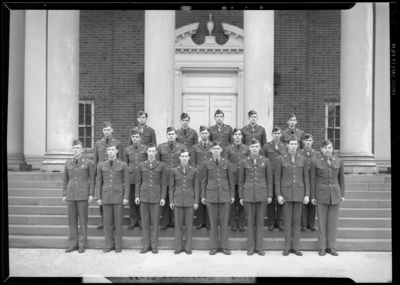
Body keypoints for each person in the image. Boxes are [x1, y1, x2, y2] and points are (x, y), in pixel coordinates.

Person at [275, 135, 310, 256]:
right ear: (287, 145)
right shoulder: (280, 159)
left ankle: (295, 247)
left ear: (298, 145)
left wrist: (307, 195)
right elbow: (277, 178)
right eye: (292, 144)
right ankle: (287, 248)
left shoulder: (303, 159)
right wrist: (278, 195)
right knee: (287, 222)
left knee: (297, 221)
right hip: (286, 194)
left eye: (296, 144)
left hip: (299, 193)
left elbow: (306, 178)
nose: (294, 146)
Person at [310, 140, 345, 257]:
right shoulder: (315, 162)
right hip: (321, 194)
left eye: (329, 148)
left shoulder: (339, 161)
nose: (327, 150)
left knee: (333, 222)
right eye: (325, 148)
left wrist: (342, 194)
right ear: (321, 149)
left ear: (332, 149)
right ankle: (322, 247)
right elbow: (312, 181)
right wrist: (313, 196)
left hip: (335, 194)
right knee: (322, 222)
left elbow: (341, 180)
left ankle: (332, 247)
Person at [238, 139, 273, 256]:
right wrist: (241, 196)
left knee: (260, 222)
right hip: (248, 195)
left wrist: (269, 195)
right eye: (252, 146)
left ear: (259, 148)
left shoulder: (265, 161)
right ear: (249, 148)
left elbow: (269, 179)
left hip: (262, 195)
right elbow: (241, 180)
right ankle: (251, 248)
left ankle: (259, 248)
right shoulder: (244, 161)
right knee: (250, 223)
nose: (254, 149)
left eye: (256, 146)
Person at [201, 141, 235, 255]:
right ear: (211, 150)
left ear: (221, 150)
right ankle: (214, 247)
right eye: (214, 149)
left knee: (224, 223)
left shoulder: (227, 162)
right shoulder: (207, 163)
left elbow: (231, 180)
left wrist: (232, 195)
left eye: (218, 149)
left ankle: (224, 247)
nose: (216, 150)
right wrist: (203, 196)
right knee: (213, 222)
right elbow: (203, 181)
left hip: (225, 195)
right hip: (211, 196)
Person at [95, 142, 130, 253]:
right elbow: (99, 182)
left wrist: (126, 197)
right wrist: (98, 197)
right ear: (107, 151)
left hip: (118, 197)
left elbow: (127, 182)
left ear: (116, 151)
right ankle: (109, 245)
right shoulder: (101, 165)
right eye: (109, 150)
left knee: (118, 222)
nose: (110, 152)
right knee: (107, 222)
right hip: (106, 196)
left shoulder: (123, 164)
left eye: (112, 150)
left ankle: (118, 246)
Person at [62, 140, 95, 253]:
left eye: (77, 148)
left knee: (83, 221)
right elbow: (65, 179)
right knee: (71, 221)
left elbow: (92, 179)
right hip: (71, 195)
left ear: (82, 149)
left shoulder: (88, 162)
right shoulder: (68, 163)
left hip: (83, 195)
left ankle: (82, 245)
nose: (75, 150)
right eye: (74, 148)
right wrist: (64, 193)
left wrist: (91, 194)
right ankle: (72, 244)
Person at [135, 143, 168, 254]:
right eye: (149, 151)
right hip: (144, 197)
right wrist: (137, 196)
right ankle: (145, 246)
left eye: (153, 151)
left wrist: (163, 197)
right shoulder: (141, 165)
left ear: (156, 153)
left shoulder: (161, 166)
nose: (151, 154)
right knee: (145, 223)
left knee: (155, 222)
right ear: (147, 152)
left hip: (156, 197)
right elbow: (138, 182)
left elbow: (164, 183)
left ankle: (154, 245)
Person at [157, 127, 188, 230]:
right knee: (165, 197)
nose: (171, 136)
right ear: (166, 135)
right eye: (169, 134)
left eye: (173, 134)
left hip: (177, 175)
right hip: (165, 175)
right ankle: (165, 221)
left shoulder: (182, 146)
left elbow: (184, 161)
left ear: (176, 135)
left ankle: (175, 221)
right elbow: (158, 162)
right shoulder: (161, 147)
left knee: (175, 196)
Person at [169, 149, 200, 255]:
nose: (184, 158)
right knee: (177, 225)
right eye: (182, 156)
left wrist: (196, 202)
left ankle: (188, 247)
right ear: (179, 157)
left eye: (186, 156)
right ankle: (178, 247)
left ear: (189, 158)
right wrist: (171, 201)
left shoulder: (194, 170)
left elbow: (196, 187)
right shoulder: (174, 170)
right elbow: (171, 187)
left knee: (189, 225)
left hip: (190, 201)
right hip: (177, 200)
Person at [93, 121, 122, 230]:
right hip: (102, 173)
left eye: (108, 129)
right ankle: (103, 220)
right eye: (105, 130)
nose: (106, 132)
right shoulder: (98, 143)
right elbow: (95, 160)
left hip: (114, 173)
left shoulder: (117, 143)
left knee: (114, 197)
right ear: (102, 131)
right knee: (102, 197)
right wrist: (95, 174)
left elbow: (120, 160)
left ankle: (113, 221)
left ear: (112, 130)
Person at [260, 126, 286, 231]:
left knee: (280, 200)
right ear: (272, 134)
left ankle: (280, 222)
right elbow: (263, 161)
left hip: (281, 177)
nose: (277, 135)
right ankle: (271, 222)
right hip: (270, 176)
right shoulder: (266, 146)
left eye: (278, 133)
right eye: (275, 133)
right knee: (270, 201)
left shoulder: (285, 147)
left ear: (281, 135)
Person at [223, 128, 249, 231]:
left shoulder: (246, 149)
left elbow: (248, 162)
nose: (237, 136)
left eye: (239, 134)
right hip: (232, 178)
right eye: (236, 134)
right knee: (232, 202)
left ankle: (241, 223)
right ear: (233, 136)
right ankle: (233, 223)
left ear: (242, 136)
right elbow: (225, 163)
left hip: (243, 178)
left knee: (242, 202)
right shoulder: (228, 149)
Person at [122, 127, 148, 230]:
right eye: (133, 137)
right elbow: (125, 164)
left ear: (140, 137)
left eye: (137, 137)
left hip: (142, 178)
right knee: (132, 200)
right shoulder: (127, 150)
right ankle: (133, 221)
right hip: (132, 177)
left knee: (141, 200)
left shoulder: (145, 149)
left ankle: (141, 221)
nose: (135, 139)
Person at [191, 126, 212, 229]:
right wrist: (194, 172)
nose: (204, 135)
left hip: (210, 174)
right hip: (199, 174)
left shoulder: (213, 146)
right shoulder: (195, 147)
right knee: (199, 196)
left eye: (206, 133)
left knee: (208, 196)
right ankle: (199, 221)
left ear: (208, 134)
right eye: (202, 133)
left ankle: (208, 221)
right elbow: (193, 161)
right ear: (200, 134)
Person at [299, 133, 320, 232]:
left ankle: (311, 223)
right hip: (302, 179)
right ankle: (303, 224)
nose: (308, 142)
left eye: (310, 140)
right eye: (306, 140)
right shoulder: (299, 152)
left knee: (312, 201)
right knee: (303, 202)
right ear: (303, 141)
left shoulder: (316, 154)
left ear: (312, 141)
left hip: (313, 180)